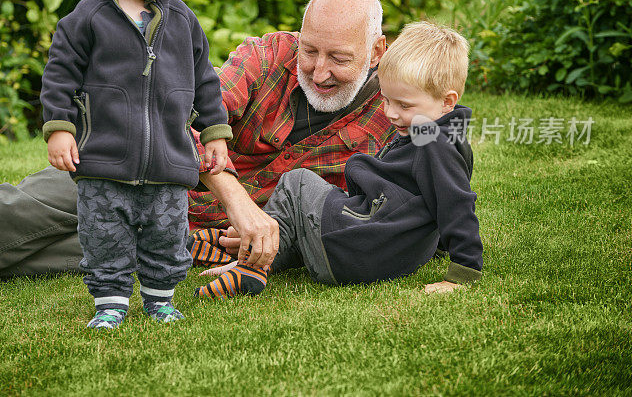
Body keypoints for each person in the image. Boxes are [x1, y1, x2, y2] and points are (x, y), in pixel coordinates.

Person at [0, 0, 394, 306]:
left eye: (337, 58)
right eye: (309, 50)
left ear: (375, 53)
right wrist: (238, 201)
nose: (316, 70)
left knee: (17, 260)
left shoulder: (389, 119)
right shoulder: (266, 57)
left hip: (170, 238)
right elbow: (180, 120)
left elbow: (390, 205)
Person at [40, 0, 232, 329]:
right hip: (105, 159)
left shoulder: (183, 21)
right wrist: (60, 129)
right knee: (104, 233)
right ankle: (110, 301)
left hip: (169, 157)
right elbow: (59, 76)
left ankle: (160, 298)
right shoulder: (87, 19)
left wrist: (215, 131)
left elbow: (205, 79)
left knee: (168, 232)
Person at [194, 21, 483, 299]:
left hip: (361, 250)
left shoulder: (434, 143)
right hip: (377, 255)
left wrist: (463, 272)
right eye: (386, 100)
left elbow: (455, 203)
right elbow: (439, 199)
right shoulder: (444, 138)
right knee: (309, 209)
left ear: (447, 101)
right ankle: (237, 252)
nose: (391, 114)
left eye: (404, 105)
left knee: (297, 183)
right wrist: (437, 248)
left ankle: (253, 264)